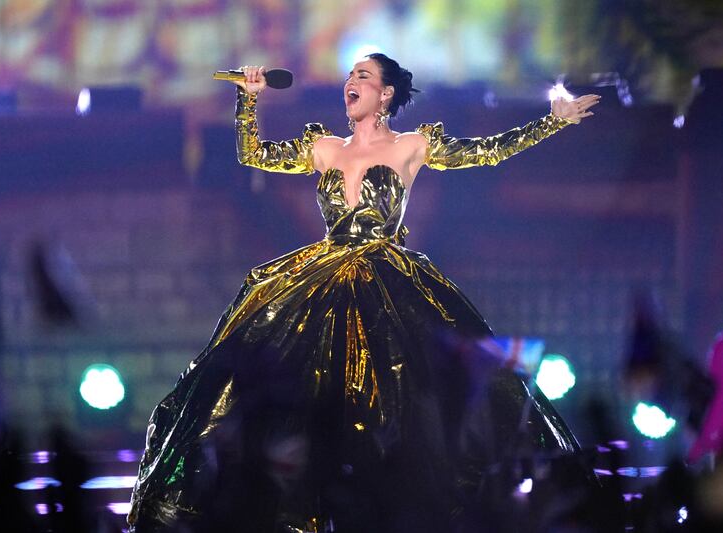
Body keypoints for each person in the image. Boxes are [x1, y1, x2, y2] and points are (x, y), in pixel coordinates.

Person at [128, 53, 600, 533]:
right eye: (350, 75)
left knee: (400, 399)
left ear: (386, 93)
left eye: (363, 76)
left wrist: (551, 122)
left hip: (387, 283)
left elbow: (488, 151)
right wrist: (247, 102)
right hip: (321, 277)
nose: (351, 82)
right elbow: (255, 156)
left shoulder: (412, 145)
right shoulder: (326, 148)